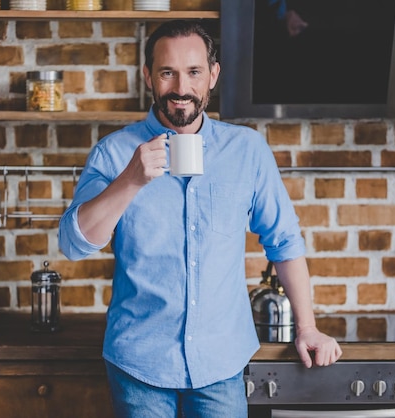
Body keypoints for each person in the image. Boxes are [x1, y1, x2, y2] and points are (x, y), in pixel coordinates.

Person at [58, 19, 342, 418]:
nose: (180, 88)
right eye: (167, 72)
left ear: (212, 75)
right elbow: (73, 244)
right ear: (148, 77)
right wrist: (130, 181)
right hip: (138, 366)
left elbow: (284, 241)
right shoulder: (113, 153)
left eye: (193, 72)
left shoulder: (246, 150)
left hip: (221, 366)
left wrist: (308, 327)